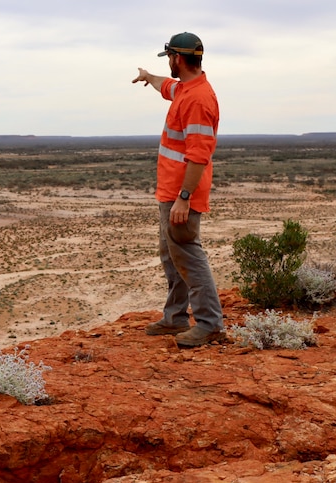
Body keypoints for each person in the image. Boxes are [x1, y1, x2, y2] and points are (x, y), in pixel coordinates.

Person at [131, 32, 225, 347]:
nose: (168, 63)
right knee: (171, 254)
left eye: (169, 58)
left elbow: (199, 156)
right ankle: (175, 318)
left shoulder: (198, 99)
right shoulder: (185, 88)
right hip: (170, 192)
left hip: (182, 195)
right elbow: (166, 85)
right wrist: (148, 77)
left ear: (178, 58)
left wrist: (184, 199)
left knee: (187, 253)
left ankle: (210, 324)